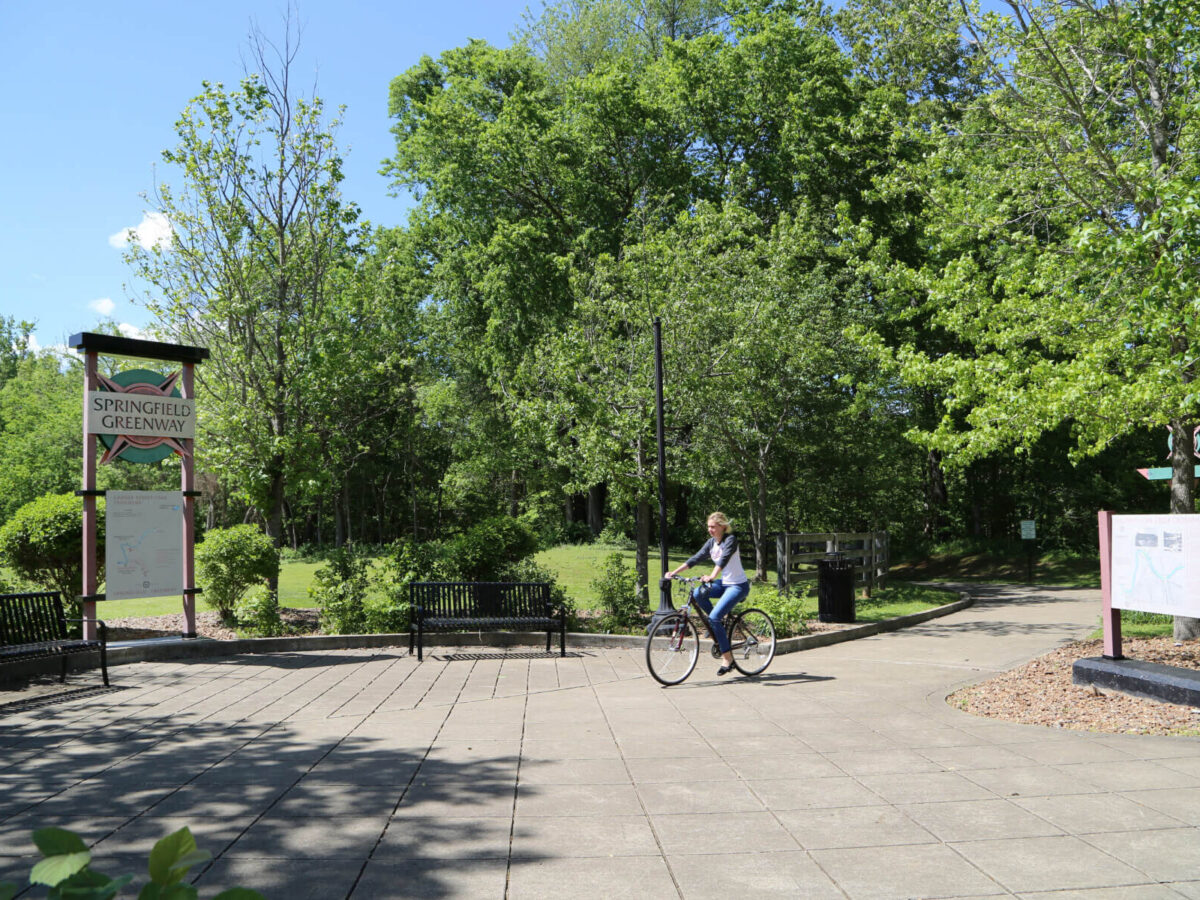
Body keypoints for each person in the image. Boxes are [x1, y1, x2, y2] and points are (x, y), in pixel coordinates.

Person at [666, 511, 750, 676]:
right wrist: (673, 572)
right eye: (709, 527)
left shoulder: (730, 540)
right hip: (724, 584)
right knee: (698, 594)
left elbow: (723, 560)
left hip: (738, 586)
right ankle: (716, 624)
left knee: (714, 618)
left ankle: (728, 659)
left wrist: (712, 576)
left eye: (713, 527)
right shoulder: (711, 543)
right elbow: (695, 558)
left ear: (722, 527)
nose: (710, 530)